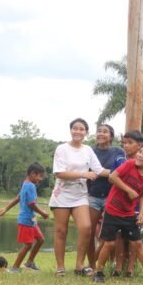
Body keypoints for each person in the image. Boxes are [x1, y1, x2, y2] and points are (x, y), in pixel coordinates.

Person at [93, 143, 143, 285]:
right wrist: (128, 190)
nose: (139, 155)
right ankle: (98, 272)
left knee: (138, 243)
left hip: (128, 214)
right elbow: (112, 177)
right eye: (140, 152)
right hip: (112, 210)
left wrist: (141, 213)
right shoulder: (130, 164)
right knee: (109, 243)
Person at [49, 118, 106, 276]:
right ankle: (60, 267)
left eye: (81, 129)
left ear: (86, 133)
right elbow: (59, 173)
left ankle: (79, 265)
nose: (78, 131)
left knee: (86, 227)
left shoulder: (88, 150)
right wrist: (83, 174)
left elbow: (99, 170)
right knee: (61, 231)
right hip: (62, 194)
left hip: (80, 195)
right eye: (75, 128)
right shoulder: (62, 148)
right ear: (71, 130)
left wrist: (120, 172)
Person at [0, 163, 49, 273]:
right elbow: (31, 204)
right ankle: (15, 268)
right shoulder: (31, 186)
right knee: (28, 245)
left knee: (40, 240)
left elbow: (18, 198)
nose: (41, 179)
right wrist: (42, 213)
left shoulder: (26, 184)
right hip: (26, 220)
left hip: (31, 221)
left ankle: (29, 263)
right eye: (40, 176)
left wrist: (6, 208)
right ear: (33, 174)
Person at [87, 124, 125, 269]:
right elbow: (87, 172)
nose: (101, 134)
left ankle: (107, 262)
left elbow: (122, 171)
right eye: (99, 131)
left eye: (105, 132)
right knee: (89, 232)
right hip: (94, 195)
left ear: (111, 136)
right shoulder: (90, 151)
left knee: (110, 232)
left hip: (112, 196)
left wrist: (102, 173)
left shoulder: (118, 151)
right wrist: (110, 173)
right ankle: (91, 264)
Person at [113, 130, 143, 277]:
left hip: (135, 207)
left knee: (134, 238)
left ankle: (131, 268)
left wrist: (142, 212)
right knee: (119, 236)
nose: (126, 146)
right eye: (124, 143)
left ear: (139, 145)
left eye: (130, 143)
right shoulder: (119, 160)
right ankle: (118, 267)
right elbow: (113, 179)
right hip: (118, 205)